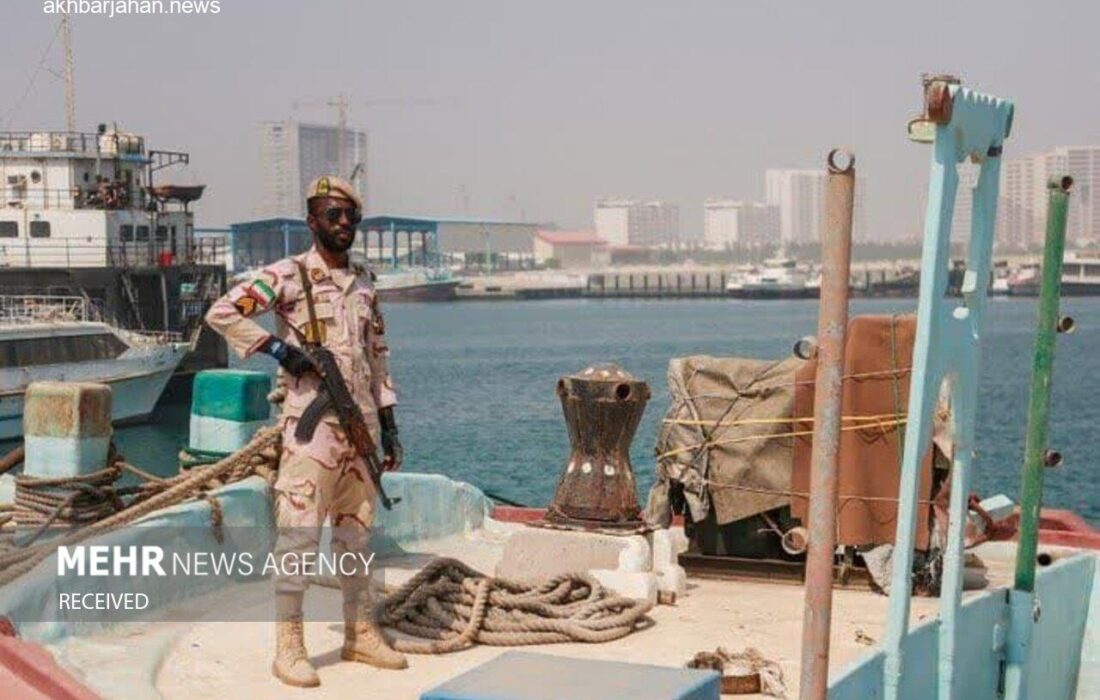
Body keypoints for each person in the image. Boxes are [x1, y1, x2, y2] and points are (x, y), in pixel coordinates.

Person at [205, 175, 407, 687]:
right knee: (298, 535)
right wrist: (279, 350)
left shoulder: (364, 282)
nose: (344, 224)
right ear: (312, 221)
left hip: (360, 428)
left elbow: (377, 357)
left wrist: (388, 425)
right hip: (310, 431)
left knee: (355, 535)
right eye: (332, 215)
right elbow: (221, 313)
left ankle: (360, 634)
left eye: (351, 217)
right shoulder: (288, 275)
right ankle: (290, 647)